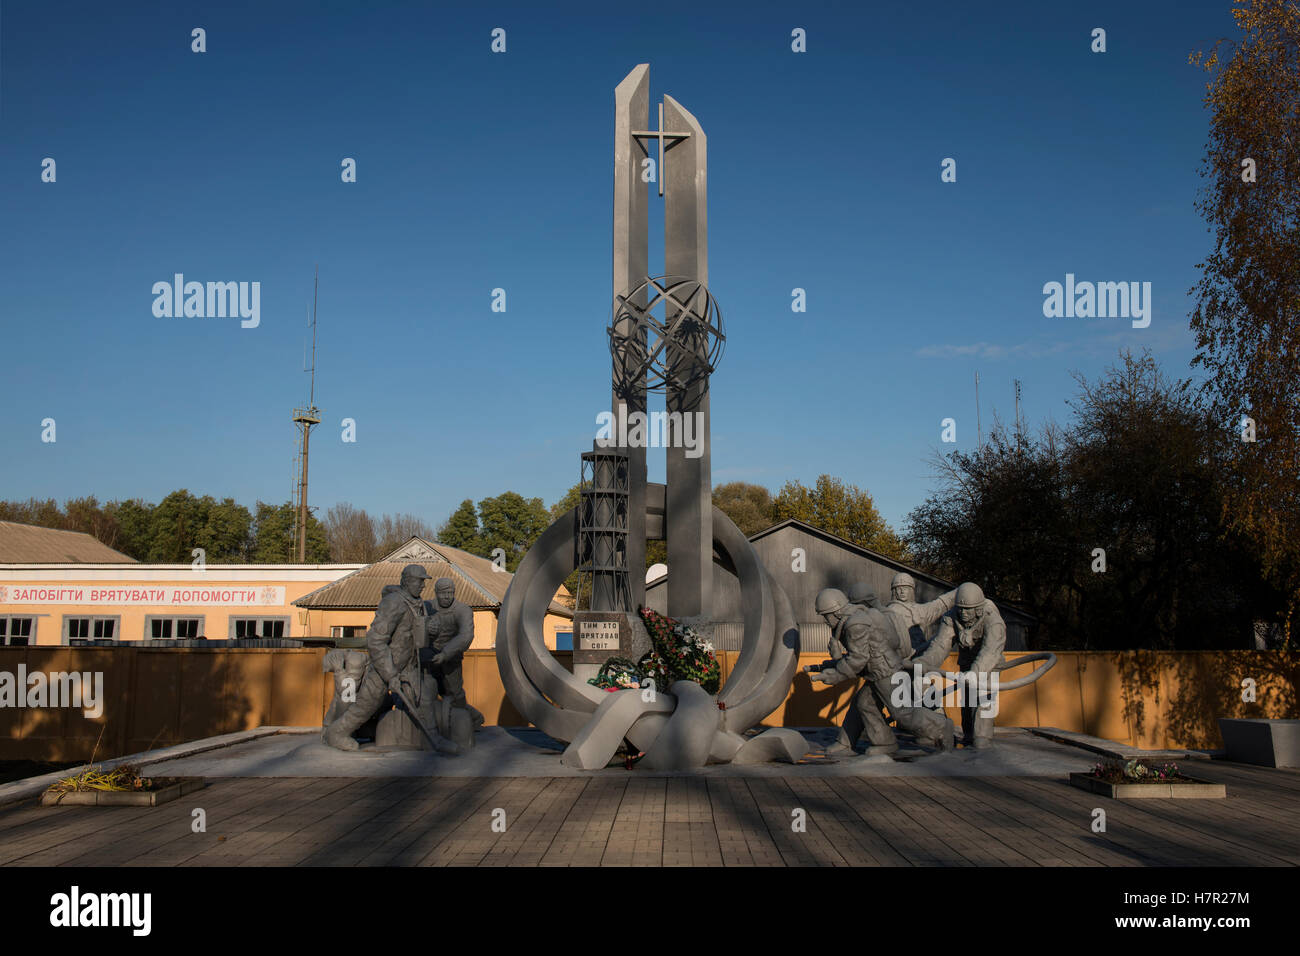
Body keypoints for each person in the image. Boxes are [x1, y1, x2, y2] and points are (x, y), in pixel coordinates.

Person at [324, 564, 456, 752]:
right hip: (386, 666)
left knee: (424, 698)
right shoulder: (394, 603)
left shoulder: (417, 603)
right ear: (407, 581)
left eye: (423, 582)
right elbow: (376, 640)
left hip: (409, 664)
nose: (423, 586)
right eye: (419, 581)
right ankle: (336, 733)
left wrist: (431, 629)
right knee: (367, 705)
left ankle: (435, 740)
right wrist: (390, 674)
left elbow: (417, 632)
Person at [811, 588, 956, 757]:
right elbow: (882, 645)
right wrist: (836, 662)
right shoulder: (857, 617)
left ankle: (942, 726)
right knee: (864, 704)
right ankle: (881, 742)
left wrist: (836, 674)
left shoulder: (855, 624)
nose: (825, 620)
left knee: (903, 713)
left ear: (836, 611)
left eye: (825, 615)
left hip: (885, 672)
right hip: (877, 671)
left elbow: (858, 659)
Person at [912, 582, 1005, 749]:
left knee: (983, 698)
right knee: (968, 700)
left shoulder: (993, 620)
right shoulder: (951, 617)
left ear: (978, 609)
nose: (963, 613)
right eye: (960, 609)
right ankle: (969, 736)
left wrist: (976, 672)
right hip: (967, 662)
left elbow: (991, 650)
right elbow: (940, 645)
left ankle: (982, 739)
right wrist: (924, 664)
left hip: (988, 664)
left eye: (967, 609)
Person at [423, 577, 484, 730]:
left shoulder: (462, 610)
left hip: (451, 657)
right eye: (443, 593)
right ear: (436, 593)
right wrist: (426, 628)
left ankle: (471, 720)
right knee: (429, 691)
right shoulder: (426, 607)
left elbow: (466, 635)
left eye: (450, 592)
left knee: (454, 693)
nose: (447, 596)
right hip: (430, 656)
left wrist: (445, 654)